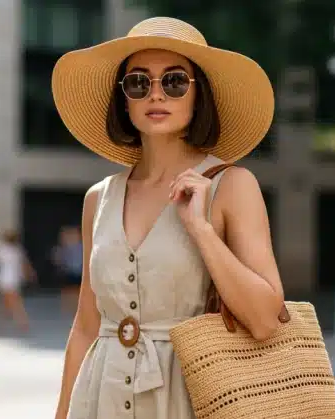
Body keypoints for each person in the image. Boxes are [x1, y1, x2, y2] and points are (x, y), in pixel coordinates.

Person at [51, 17, 284, 419]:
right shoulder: (99, 198)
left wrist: (201, 229)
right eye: (138, 83)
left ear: (198, 97)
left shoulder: (232, 186)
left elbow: (266, 321)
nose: (155, 94)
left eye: (174, 81)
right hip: (99, 400)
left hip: (190, 401)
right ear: (124, 99)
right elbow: (87, 326)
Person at [0, 229, 36, 334]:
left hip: (2, 278)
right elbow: (24, 264)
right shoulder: (17, 250)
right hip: (12, 278)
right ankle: (22, 323)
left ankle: (0, 323)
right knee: (15, 301)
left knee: (7, 302)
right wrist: (30, 274)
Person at [51, 225, 83, 314]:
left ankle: (77, 306)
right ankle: (69, 307)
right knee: (67, 290)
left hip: (79, 271)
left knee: (78, 290)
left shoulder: (81, 246)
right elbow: (59, 259)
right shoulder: (64, 247)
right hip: (69, 271)